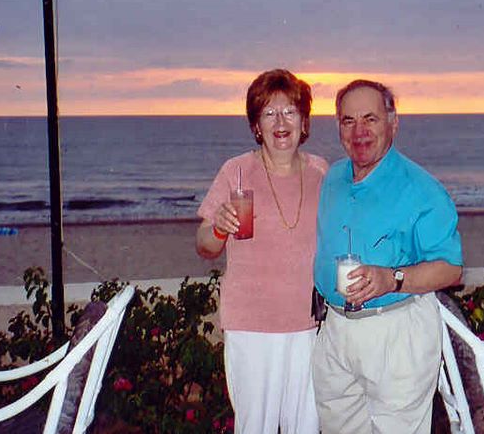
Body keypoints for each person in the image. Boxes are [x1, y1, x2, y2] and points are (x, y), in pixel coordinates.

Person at [312, 79, 463, 434]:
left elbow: (451, 268)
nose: (359, 131)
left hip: (396, 331)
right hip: (335, 330)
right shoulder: (333, 177)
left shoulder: (422, 189)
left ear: (393, 123)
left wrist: (391, 278)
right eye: (348, 121)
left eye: (371, 119)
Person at [196, 69, 328, 434]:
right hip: (251, 326)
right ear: (256, 126)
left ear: (304, 121)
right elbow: (204, 245)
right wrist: (220, 226)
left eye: (290, 111)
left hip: (309, 325)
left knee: (307, 426)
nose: (280, 122)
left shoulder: (321, 173)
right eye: (269, 113)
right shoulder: (237, 172)